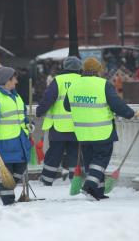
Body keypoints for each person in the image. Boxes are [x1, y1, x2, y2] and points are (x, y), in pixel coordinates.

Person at [64, 57, 139, 200]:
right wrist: (130, 113)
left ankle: (97, 192)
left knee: (89, 161)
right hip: (101, 132)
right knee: (100, 160)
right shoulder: (103, 85)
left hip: (82, 132)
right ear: (98, 70)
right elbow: (116, 104)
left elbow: (67, 106)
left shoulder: (74, 85)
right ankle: (89, 187)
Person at [0, 65, 32, 205]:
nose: (16, 81)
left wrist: (28, 124)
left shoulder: (16, 96)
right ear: (7, 80)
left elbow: (22, 116)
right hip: (4, 144)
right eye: (14, 78)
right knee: (6, 174)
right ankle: (9, 204)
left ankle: (2, 189)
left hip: (19, 141)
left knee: (21, 168)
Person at [36, 56, 82, 185]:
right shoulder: (82, 80)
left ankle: (46, 180)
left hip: (58, 127)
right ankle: (76, 180)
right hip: (78, 126)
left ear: (65, 67)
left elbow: (48, 99)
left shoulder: (58, 80)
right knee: (75, 154)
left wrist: (39, 111)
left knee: (54, 154)